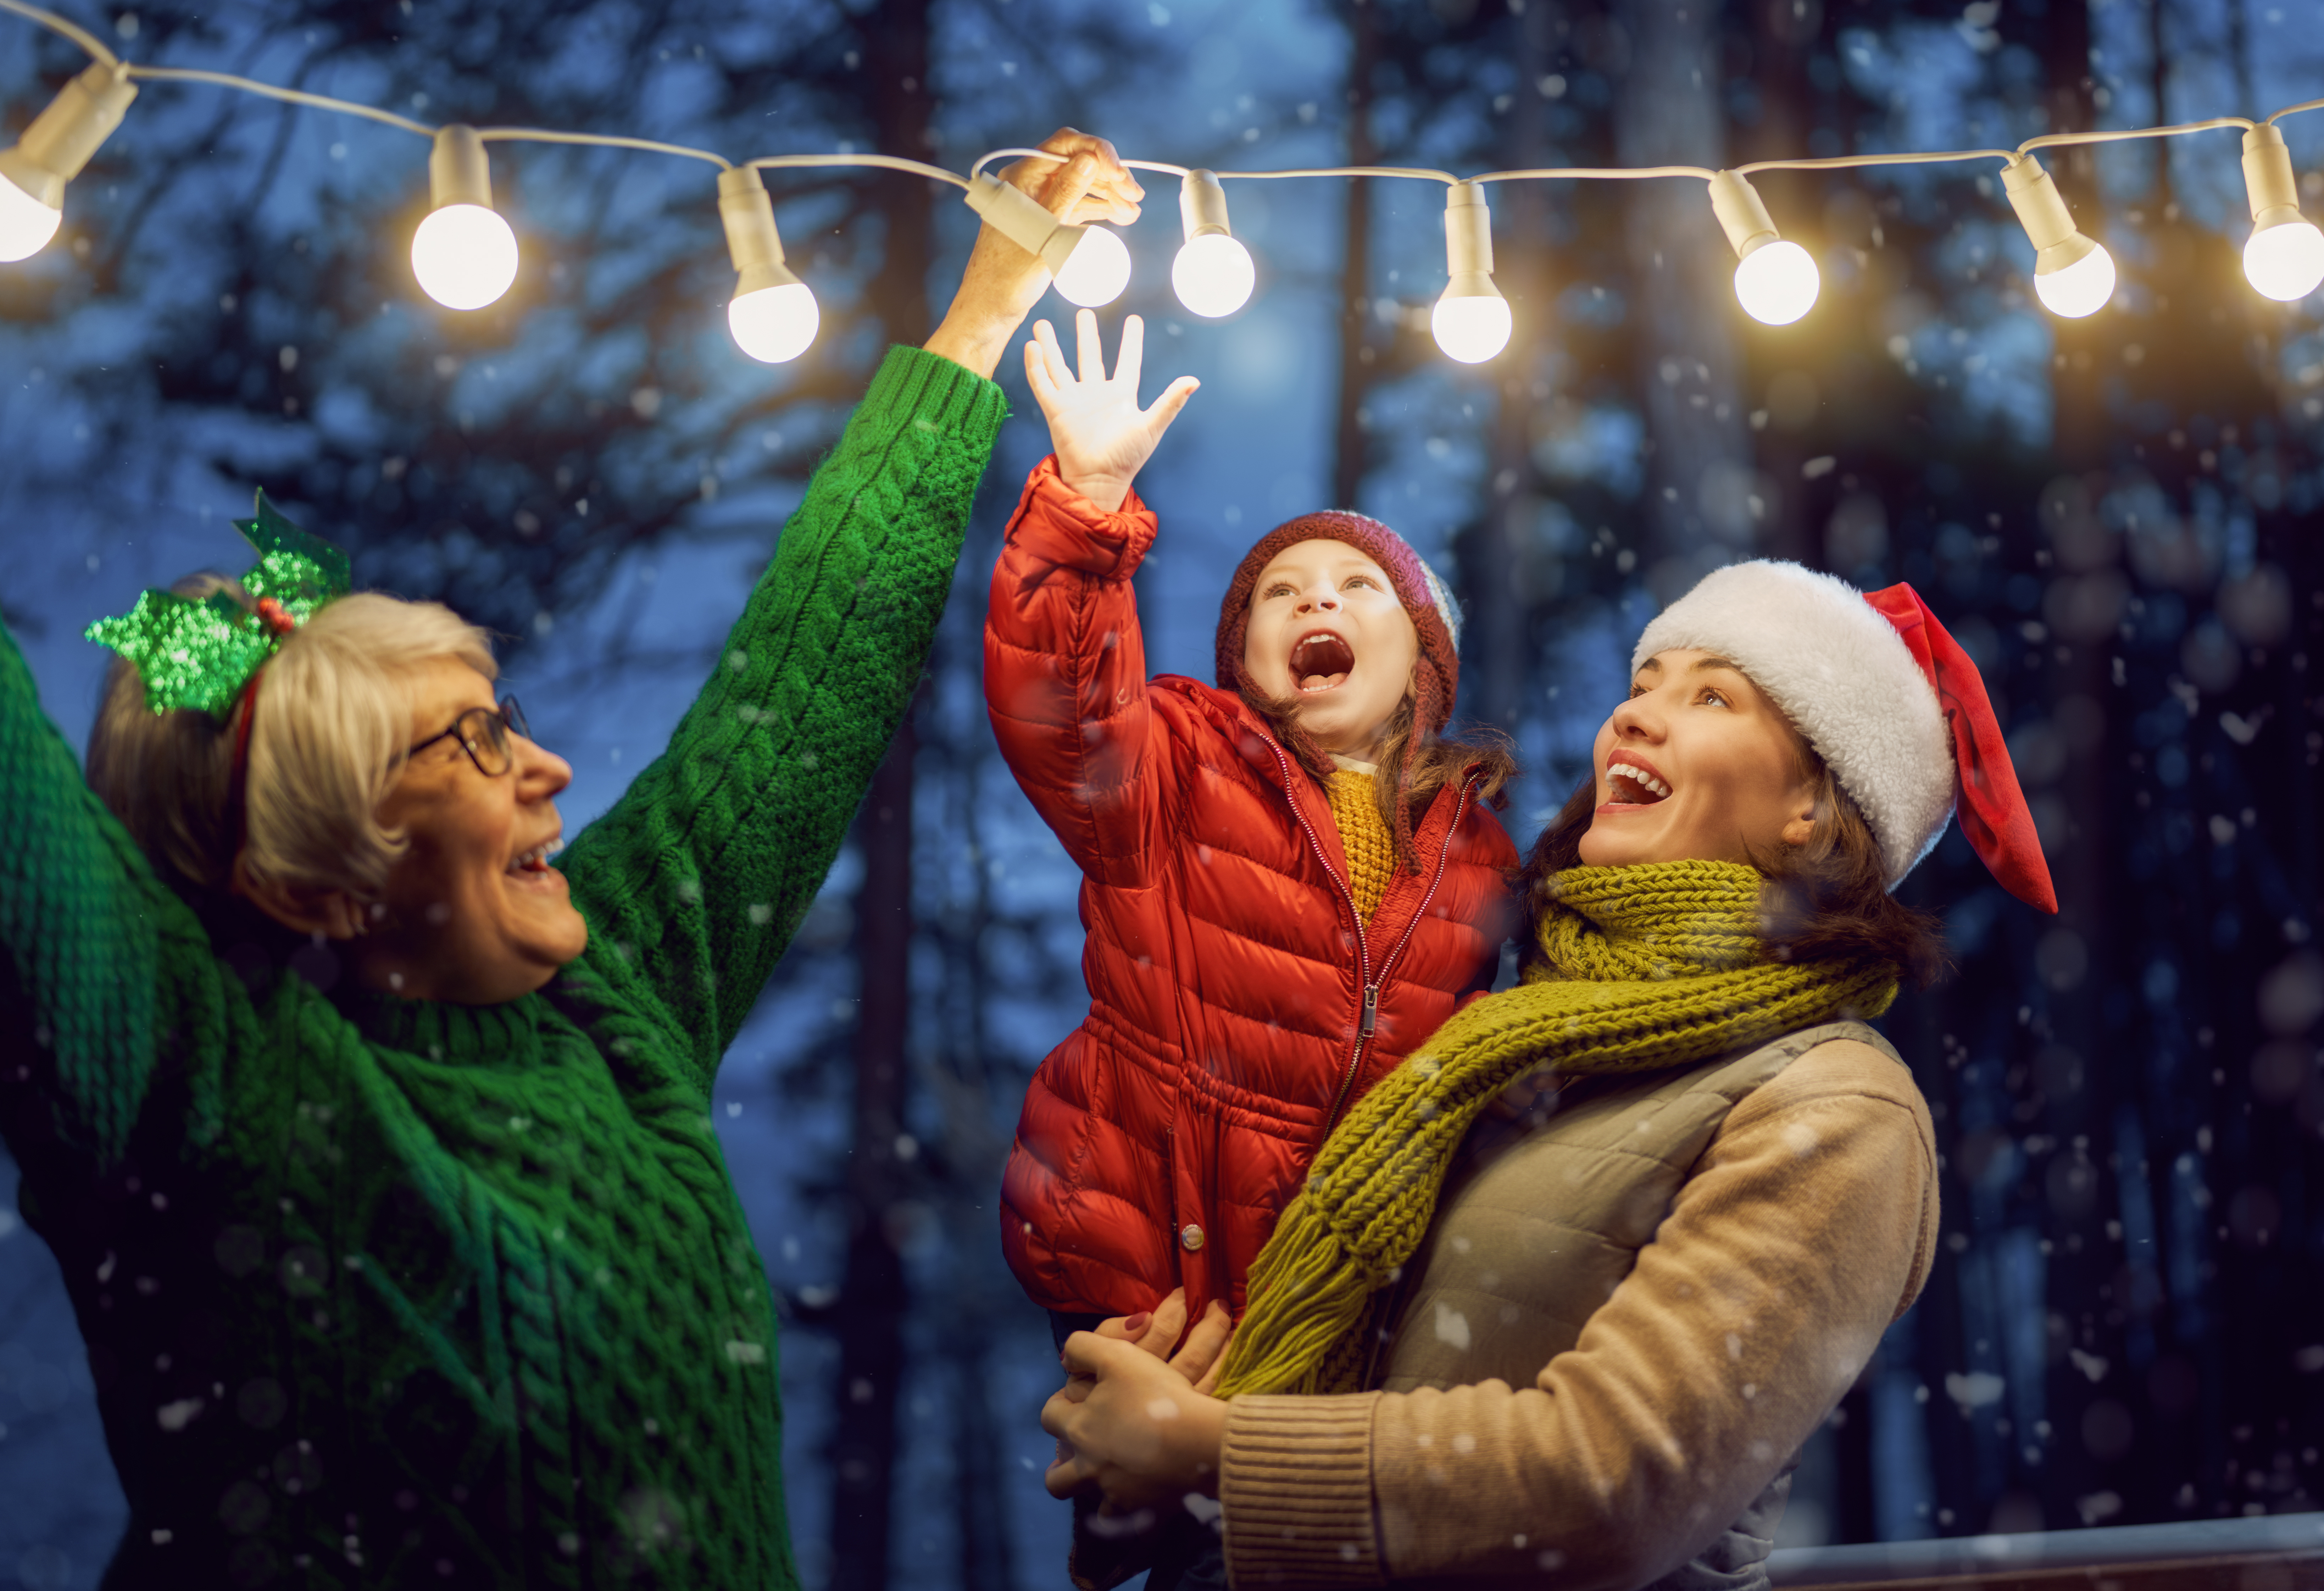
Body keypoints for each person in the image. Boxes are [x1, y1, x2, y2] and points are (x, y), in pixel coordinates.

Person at [0, 129, 1140, 1589]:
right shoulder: (198, 1085)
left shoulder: (617, 997)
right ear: (311, 885)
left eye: (508, 716)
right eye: (467, 746)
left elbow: (799, 692)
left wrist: (985, 307)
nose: (546, 768)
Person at [1040, 559, 2059, 1590]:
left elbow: (1613, 1487)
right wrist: (1151, 1463)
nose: (1634, 715)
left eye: (1710, 696)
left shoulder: (1835, 1106)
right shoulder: (1506, 1041)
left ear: (1809, 805)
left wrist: (1215, 1453)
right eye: (1643, 682)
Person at [986, 306, 1521, 1346]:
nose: (1314, 598)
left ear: (1423, 664)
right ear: (1247, 661)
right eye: (1281, 592)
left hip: (1341, 1285)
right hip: (1148, 1258)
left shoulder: (1477, 850)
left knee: (1316, 1507)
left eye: (1357, 587)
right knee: (1154, 1495)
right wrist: (1087, 512)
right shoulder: (1181, 764)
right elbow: (1062, 710)